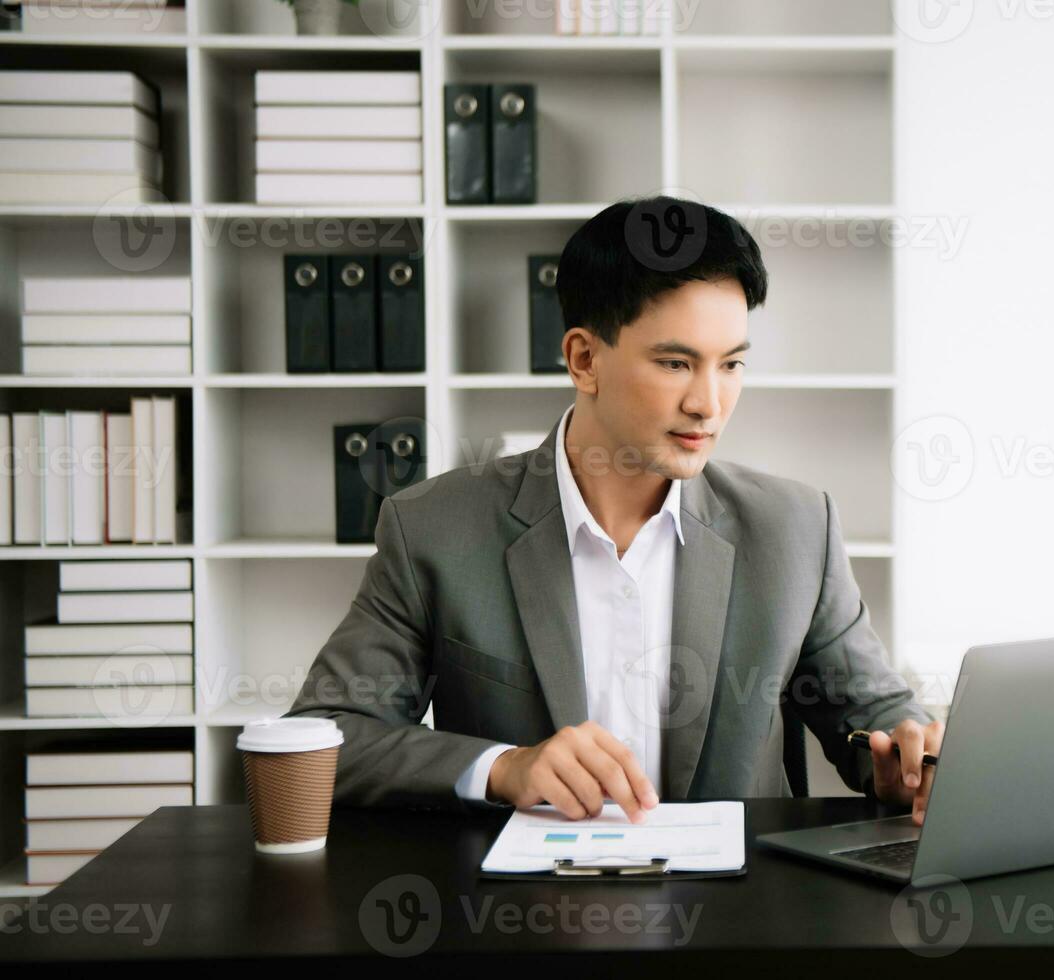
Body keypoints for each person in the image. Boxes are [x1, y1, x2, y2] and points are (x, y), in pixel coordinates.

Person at [286, 196, 943, 825]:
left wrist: (905, 761)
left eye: (731, 364)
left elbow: (880, 711)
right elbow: (324, 738)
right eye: (676, 363)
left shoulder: (796, 527)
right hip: (521, 917)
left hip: (741, 918)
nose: (708, 404)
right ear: (583, 358)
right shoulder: (435, 526)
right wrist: (504, 767)